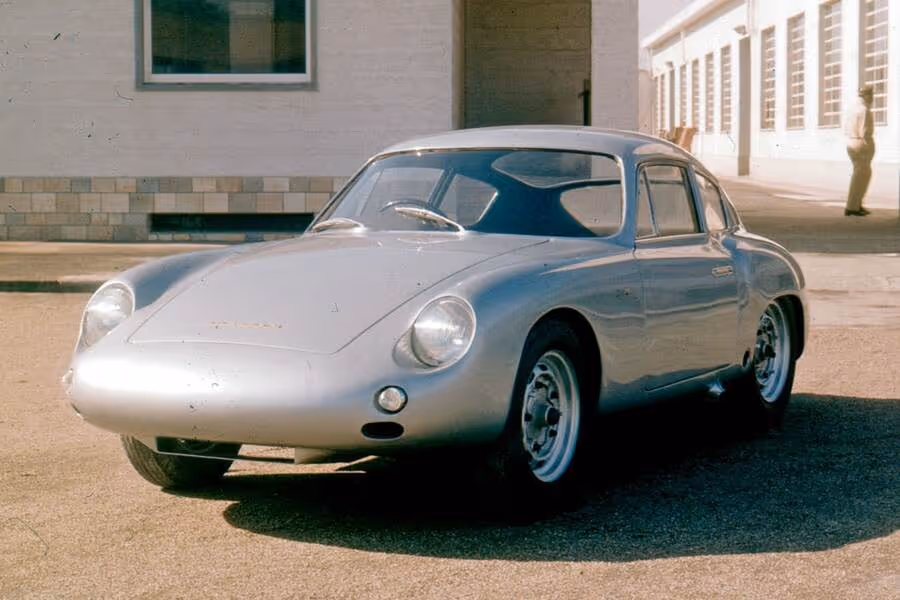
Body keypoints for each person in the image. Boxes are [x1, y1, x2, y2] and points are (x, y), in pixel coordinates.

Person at [844, 85, 875, 216]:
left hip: (851, 141)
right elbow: (865, 131)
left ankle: (855, 204)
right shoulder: (864, 110)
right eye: (871, 95)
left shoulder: (852, 109)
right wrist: (868, 145)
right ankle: (852, 207)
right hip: (861, 144)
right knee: (861, 177)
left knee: (859, 176)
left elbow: (845, 128)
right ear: (866, 96)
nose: (872, 98)